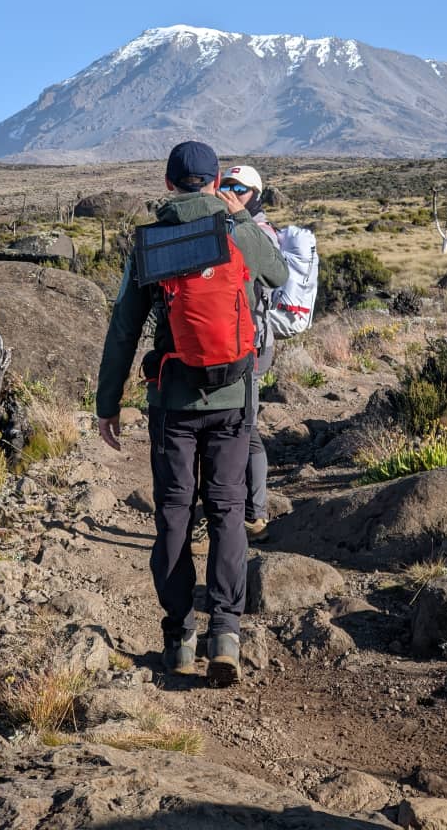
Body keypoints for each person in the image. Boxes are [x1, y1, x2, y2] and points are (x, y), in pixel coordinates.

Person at [96, 141, 288, 685]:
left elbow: (123, 329)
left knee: (175, 512)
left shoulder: (150, 242)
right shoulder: (239, 230)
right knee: (228, 509)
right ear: (216, 181)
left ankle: (179, 638)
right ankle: (225, 630)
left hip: (172, 401)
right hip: (232, 396)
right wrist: (241, 218)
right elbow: (277, 275)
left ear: (167, 184)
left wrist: (107, 403)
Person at [190, 164, 278, 555]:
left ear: (255, 195)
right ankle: (230, 507)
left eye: (240, 188)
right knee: (231, 425)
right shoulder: (221, 225)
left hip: (251, 346)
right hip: (223, 344)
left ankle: (254, 514)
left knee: (247, 427)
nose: (230, 192)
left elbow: (271, 279)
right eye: (225, 185)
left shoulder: (257, 233)